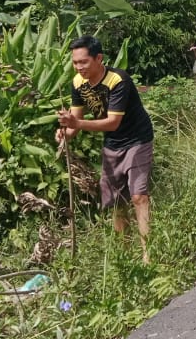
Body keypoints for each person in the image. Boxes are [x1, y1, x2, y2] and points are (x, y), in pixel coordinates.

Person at [57, 35, 155, 258]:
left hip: (137, 139)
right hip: (112, 143)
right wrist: (65, 132)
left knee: (138, 196)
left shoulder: (117, 80)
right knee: (115, 201)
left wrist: (76, 123)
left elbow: (113, 122)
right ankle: (124, 254)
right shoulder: (77, 84)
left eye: (84, 62)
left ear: (98, 58)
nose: (79, 67)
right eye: (75, 62)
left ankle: (148, 254)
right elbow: (75, 122)